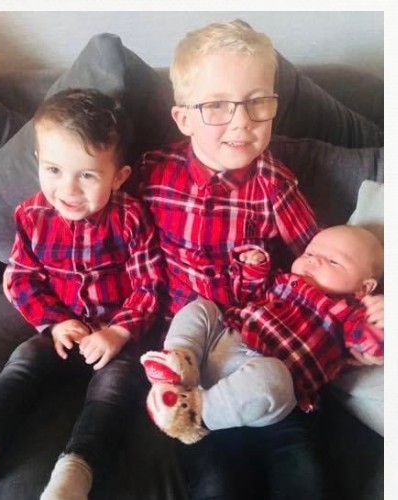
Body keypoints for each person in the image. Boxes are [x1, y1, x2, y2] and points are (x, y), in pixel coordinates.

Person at [134, 20, 384, 499]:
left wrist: (367, 314)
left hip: (269, 350)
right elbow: (115, 232)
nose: (242, 122)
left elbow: (324, 259)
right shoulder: (153, 172)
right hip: (195, 353)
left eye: (257, 102)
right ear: (183, 118)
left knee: (302, 470)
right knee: (217, 480)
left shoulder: (274, 184)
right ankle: (183, 389)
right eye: (216, 105)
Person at [0, 88, 166, 500]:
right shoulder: (32, 215)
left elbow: (150, 285)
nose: (68, 189)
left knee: (116, 386)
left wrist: (118, 332)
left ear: (118, 176)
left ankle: (77, 467)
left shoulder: (131, 218)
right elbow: (21, 279)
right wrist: (54, 322)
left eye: (87, 175)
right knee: (24, 360)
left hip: (116, 336)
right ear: (38, 160)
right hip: (62, 330)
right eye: (53, 169)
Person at [141, 225, 384, 442]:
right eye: (309, 253)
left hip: (262, 388)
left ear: (363, 288)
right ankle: (179, 362)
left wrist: (382, 322)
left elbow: (371, 347)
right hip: (220, 344)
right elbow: (244, 295)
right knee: (202, 307)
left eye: (333, 261)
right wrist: (253, 269)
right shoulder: (281, 280)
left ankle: (195, 413)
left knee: (274, 375)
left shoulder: (349, 316)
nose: (313, 261)